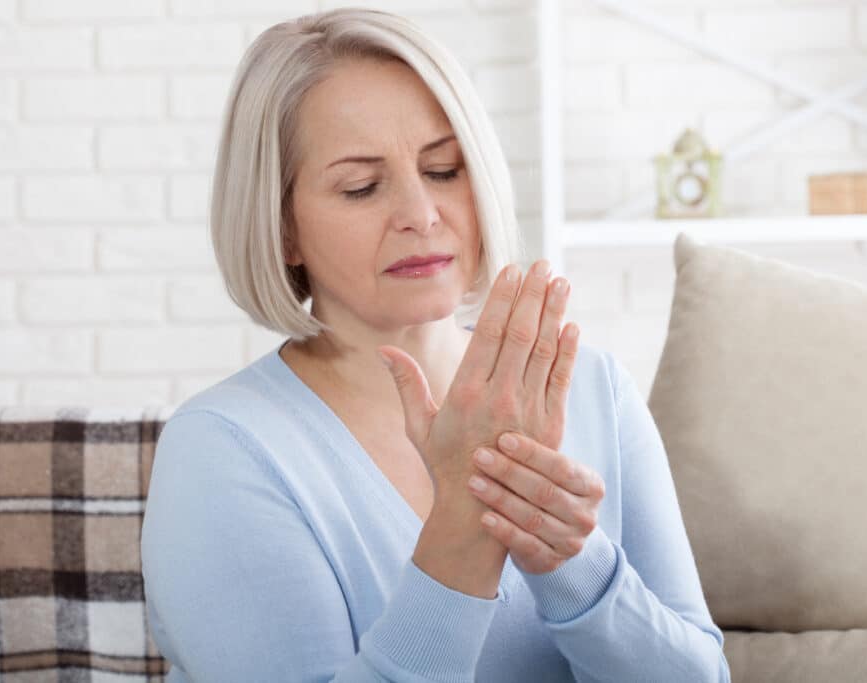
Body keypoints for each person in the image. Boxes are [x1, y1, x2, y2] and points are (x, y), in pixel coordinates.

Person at [140, 8, 731, 682]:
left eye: (445, 170)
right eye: (361, 186)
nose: (420, 214)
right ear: (283, 229)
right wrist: (467, 525)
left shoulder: (598, 389)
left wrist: (571, 560)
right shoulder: (223, 448)